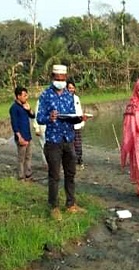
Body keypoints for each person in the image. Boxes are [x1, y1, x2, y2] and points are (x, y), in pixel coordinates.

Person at [36, 65, 89, 221]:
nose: (60, 82)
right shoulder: (45, 95)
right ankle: (53, 206)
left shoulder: (68, 95)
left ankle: (71, 204)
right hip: (53, 140)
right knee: (54, 175)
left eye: (63, 79)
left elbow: (72, 115)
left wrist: (80, 118)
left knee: (70, 173)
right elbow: (39, 118)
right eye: (57, 79)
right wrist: (49, 118)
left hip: (68, 139)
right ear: (52, 77)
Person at [9, 86, 35, 181]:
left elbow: (33, 116)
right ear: (18, 96)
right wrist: (19, 137)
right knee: (21, 159)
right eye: (24, 95)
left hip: (28, 136)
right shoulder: (14, 108)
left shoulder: (25, 106)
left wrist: (29, 109)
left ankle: (28, 174)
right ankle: (20, 177)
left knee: (28, 157)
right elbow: (14, 124)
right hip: (21, 137)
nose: (26, 97)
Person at [67, 80, 85, 169]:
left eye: (72, 88)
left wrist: (82, 121)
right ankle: (71, 160)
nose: (71, 89)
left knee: (78, 142)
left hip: (77, 124)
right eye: (69, 88)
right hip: (69, 125)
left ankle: (79, 159)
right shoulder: (64, 99)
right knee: (70, 143)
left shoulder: (76, 98)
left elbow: (79, 110)